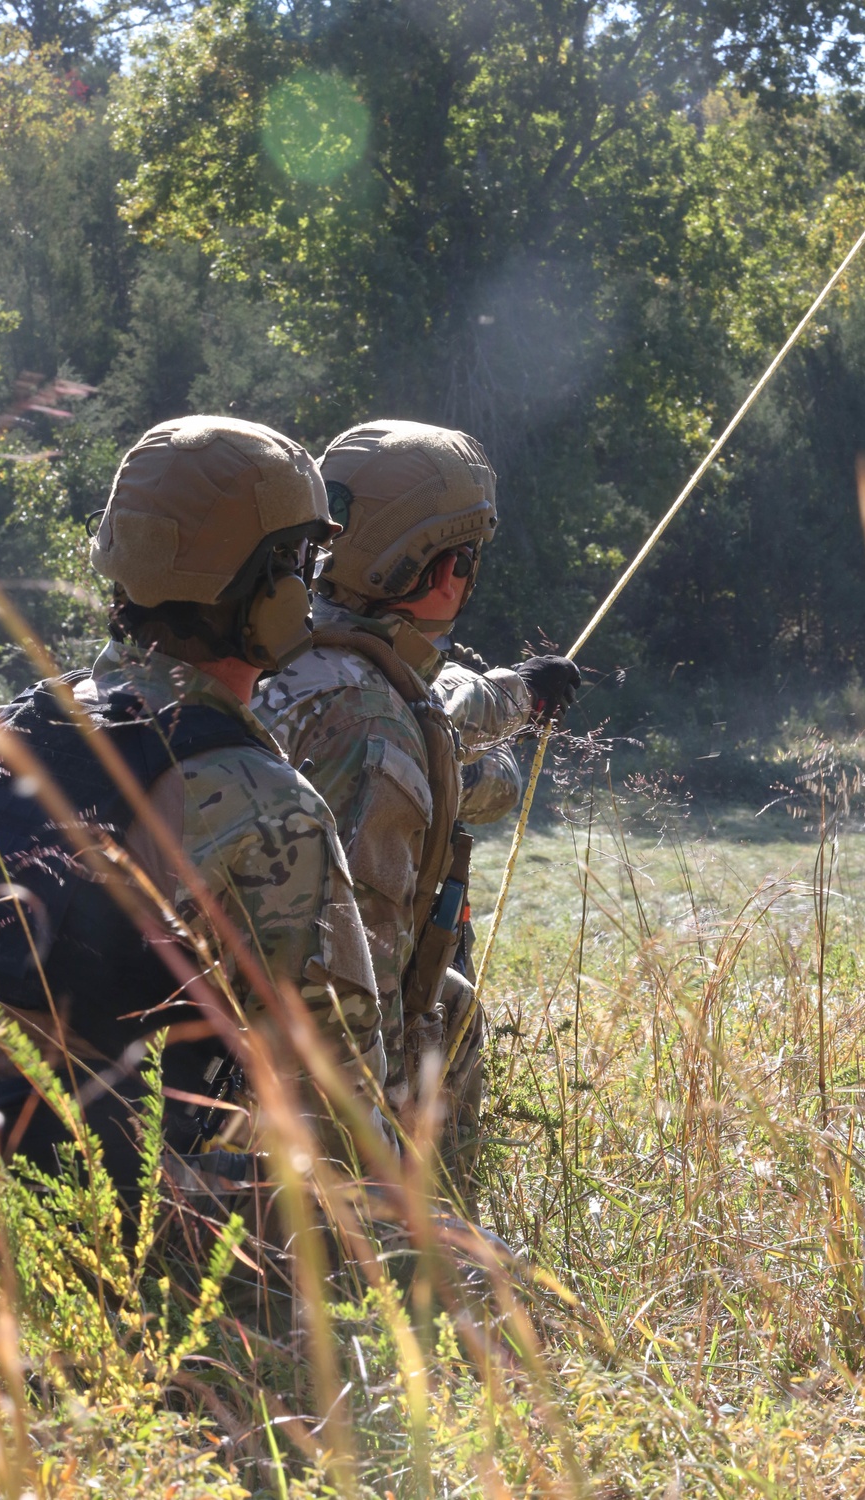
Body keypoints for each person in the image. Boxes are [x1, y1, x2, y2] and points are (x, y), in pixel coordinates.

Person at [0, 416, 386, 1213]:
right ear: (272, 587)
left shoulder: (11, 728)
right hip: (74, 1212)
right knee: (443, 1255)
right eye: (302, 562)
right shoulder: (263, 799)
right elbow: (343, 1096)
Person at [256, 420, 579, 1207]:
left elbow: (440, 716)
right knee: (450, 1008)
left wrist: (518, 697)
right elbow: (356, 991)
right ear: (447, 571)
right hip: (287, 1103)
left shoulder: (263, 641)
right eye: (467, 565)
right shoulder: (374, 731)